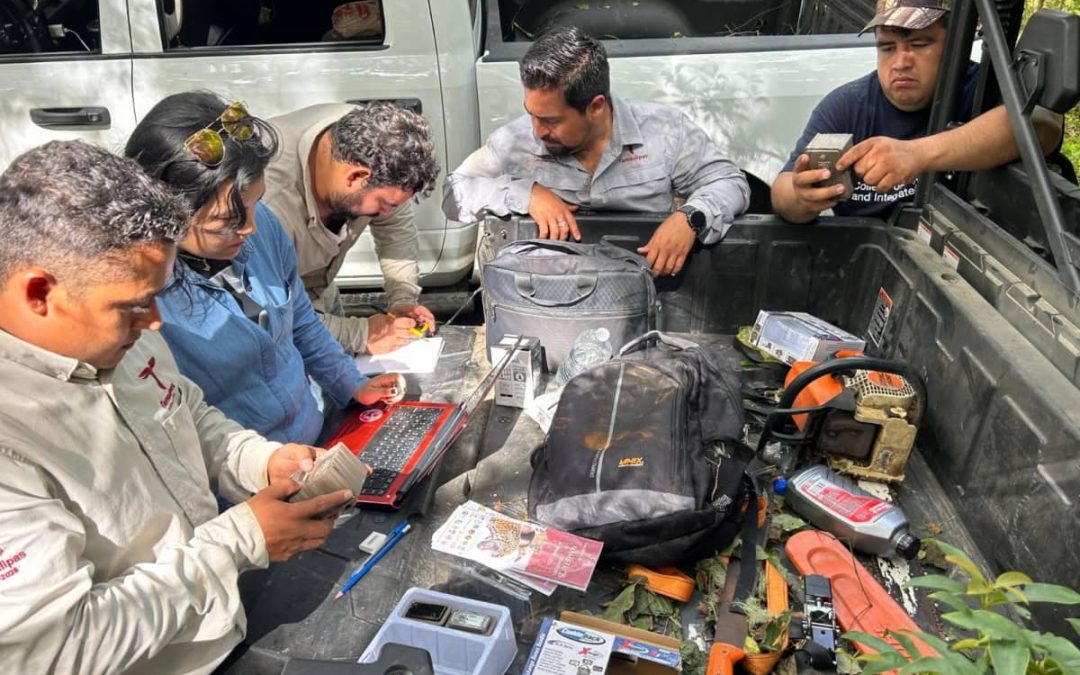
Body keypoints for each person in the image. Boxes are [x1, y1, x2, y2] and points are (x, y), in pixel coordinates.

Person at [0, 140, 355, 673]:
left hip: (227, 620)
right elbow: (55, 646)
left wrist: (257, 460)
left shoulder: (124, 333)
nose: (157, 322)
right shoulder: (12, 442)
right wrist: (238, 542)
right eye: (136, 304)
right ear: (38, 294)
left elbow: (185, 412)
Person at [125, 92, 404, 446]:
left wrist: (352, 384)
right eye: (226, 220)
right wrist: (261, 473)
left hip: (312, 437)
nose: (251, 228)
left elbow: (301, 322)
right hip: (245, 478)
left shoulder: (264, 227)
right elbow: (179, 426)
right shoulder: (143, 303)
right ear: (166, 215)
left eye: (256, 202)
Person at [442, 26, 750, 279]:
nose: (536, 131)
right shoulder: (515, 140)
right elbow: (454, 193)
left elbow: (730, 182)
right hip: (545, 292)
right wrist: (525, 193)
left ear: (596, 106)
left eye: (551, 120)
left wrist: (691, 218)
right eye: (531, 114)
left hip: (643, 289)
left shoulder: (666, 131)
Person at [770, 0, 1063, 223]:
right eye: (887, 47)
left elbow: (1041, 126)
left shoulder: (980, 90)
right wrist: (801, 196)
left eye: (919, 43)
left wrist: (918, 154)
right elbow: (781, 193)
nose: (900, 61)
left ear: (953, 45)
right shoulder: (846, 107)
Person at [263, 101, 441, 355]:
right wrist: (361, 334)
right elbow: (270, 314)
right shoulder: (268, 204)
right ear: (356, 177)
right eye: (383, 203)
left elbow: (395, 227)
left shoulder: (378, 146)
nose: (385, 213)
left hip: (320, 294)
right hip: (279, 319)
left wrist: (402, 297)